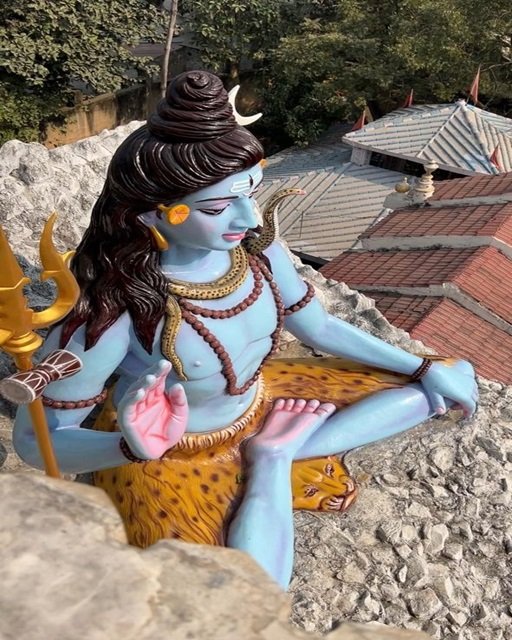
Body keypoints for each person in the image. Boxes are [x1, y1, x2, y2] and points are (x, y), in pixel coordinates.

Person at [13, 71, 478, 590]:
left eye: (250, 193)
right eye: (217, 207)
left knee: (441, 384)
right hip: (173, 447)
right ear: (149, 216)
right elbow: (37, 443)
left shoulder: (257, 253)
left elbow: (319, 327)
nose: (247, 218)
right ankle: (273, 458)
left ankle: (278, 448)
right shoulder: (119, 307)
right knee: (248, 589)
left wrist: (424, 365)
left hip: (264, 396)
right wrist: (128, 446)